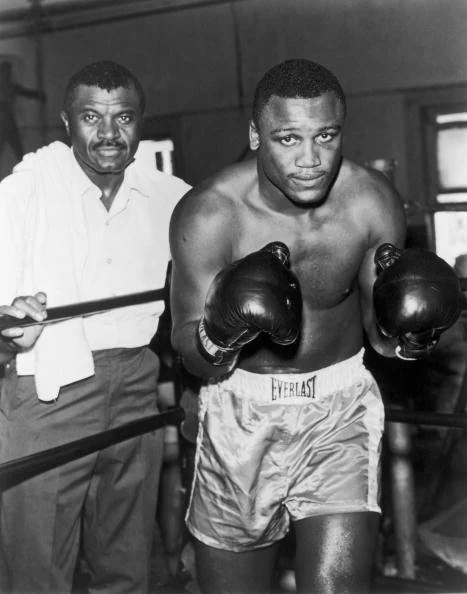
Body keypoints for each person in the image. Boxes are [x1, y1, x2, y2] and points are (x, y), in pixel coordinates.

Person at [169, 59, 461, 594]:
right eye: (288, 138)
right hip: (240, 412)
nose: (311, 159)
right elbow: (188, 348)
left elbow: (380, 334)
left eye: (325, 135)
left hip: (338, 410)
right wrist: (222, 330)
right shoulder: (210, 214)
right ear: (256, 135)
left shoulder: (370, 200)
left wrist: (411, 339)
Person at [0, 60, 191, 593]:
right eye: (91, 117)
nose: (109, 133)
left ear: (140, 122)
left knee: (127, 565)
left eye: (123, 117)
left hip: (136, 385)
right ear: (66, 122)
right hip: (47, 391)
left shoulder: (171, 199)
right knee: (36, 572)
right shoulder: (24, 193)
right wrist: (8, 315)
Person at [0, 59, 46, 162]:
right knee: (16, 148)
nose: (8, 74)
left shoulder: (11, 86)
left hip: (8, 120)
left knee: (17, 148)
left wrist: (37, 95)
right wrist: (37, 95)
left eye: (8, 71)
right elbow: (26, 92)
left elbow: (26, 92)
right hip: (5, 120)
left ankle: (23, 167)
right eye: (6, 71)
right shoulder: (10, 86)